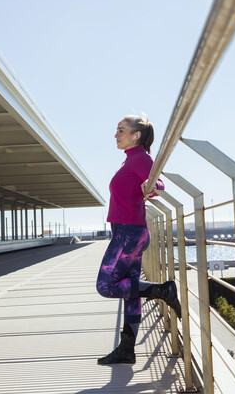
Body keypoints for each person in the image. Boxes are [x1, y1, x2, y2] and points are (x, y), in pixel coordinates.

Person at [96, 114, 181, 365]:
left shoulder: (141, 159)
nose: (116, 135)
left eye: (121, 130)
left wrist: (151, 186)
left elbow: (158, 182)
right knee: (130, 292)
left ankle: (163, 290)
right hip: (130, 232)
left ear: (136, 136)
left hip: (128, 234)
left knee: (106, 286)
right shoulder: (129, 161)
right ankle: (127, 349)